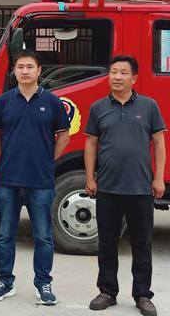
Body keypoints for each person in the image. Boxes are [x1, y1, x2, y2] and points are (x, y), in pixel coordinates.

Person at [0, 49, 70, 305]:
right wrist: (10, 156)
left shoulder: (53, 102)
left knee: (43, 236)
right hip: (8, 180)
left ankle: (43, 283)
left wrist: (46, 160)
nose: (24, 71)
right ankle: (5, 282)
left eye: (29, 67)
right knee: (5, 235)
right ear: (14, 71)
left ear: (39, 70)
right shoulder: (3, 101)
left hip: (41, 181)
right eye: (20, 67)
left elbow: (63, 136)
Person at [85, 55, 166, 316]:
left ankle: (142, 294)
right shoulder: (98, 107)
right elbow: (91, 144)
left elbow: (158, 143)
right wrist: (90, 177)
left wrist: (158, 177)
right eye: (113, 72)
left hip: (140, 188)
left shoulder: (149, 105)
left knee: (141, 244)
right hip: (107, 187)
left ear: (134, 78)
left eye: (123, 73)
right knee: (107, 243)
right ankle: (107, 291)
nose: (117, 77)